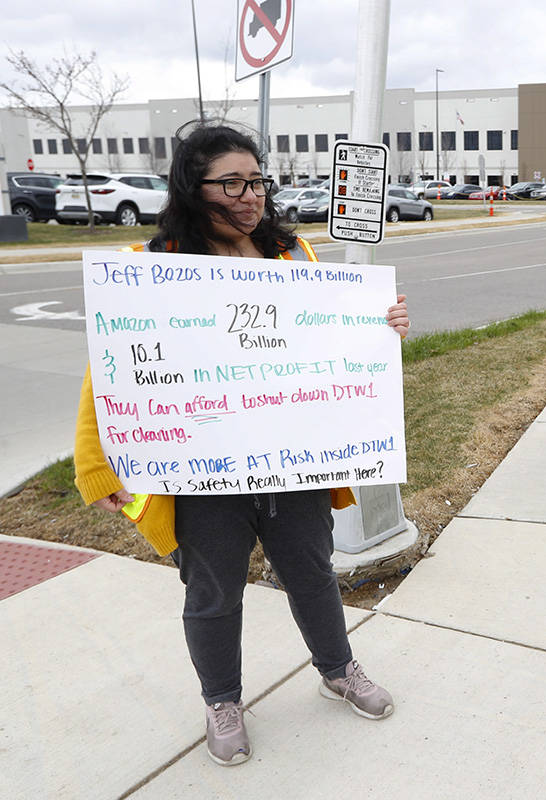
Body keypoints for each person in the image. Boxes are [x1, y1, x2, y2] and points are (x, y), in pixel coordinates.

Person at [73, 124, 411, 766]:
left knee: (313, 574)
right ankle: (221, 700)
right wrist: (98, 466)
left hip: (292, 466)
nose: (249, 195)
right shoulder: (150, 269)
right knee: (213, 591)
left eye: (256, 181)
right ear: (192, 189)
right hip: (203, 476)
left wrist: (381, 329)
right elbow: (106, 376)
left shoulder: (295, 257)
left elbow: (330, 352)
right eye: (231, 182)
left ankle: (338, 669)